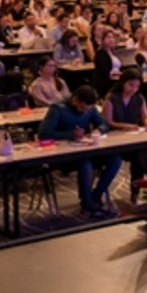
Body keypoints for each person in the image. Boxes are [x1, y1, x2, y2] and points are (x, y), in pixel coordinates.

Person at [38, 85, 122, 217]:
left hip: (85, 150)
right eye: (83, 108)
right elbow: (44, 134)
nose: (85, 111)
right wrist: (71, 134)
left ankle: (96, 195)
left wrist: (98, 130)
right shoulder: (57, 109)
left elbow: (104, 124)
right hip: (63, 156)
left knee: (115, 160)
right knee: (85, 165)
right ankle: (87, 203)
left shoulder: (90, 109)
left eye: (88, 109)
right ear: (75, 100)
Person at [104, 69, 147, 199]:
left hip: (133, 139)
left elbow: (145, 116)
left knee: (142, 154)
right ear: (122, 83)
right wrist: (123, 126)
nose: (133, 89)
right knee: (141, 154)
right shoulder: (111, 99)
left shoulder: (139, 98)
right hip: (115, 140)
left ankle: (138, 189)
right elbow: (107, 122)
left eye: (137, 86)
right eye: (130, 85)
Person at [90, 30, 122, 96]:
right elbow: (103, 70)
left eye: (112, 37)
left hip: (116, 79)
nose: (111, 40)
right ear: (103, 40)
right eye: (108, 37)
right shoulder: (100, 53)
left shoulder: (114, 53)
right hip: (106, 81)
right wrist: (114, 74)